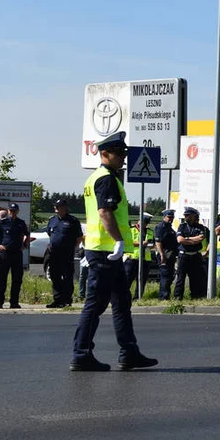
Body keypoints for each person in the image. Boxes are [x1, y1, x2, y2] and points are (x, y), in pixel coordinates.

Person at [70, 131, 157, 372]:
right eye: (119, 153)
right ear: (104, 153)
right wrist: (118, 240)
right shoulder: (106, 178)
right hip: (105, 252)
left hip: (107, 252)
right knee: (95, 305)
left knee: (121, 303)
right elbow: (104, 212)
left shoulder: (99, 177)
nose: (123, 158)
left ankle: (129, 352)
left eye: (124, 153)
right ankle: (81, 354)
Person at [0, 203, 30, 309]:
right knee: (2, 279)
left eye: (14, 210)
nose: (12, 212)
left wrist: (25, 244)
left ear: (17, 211)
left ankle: (14, 302)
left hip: (17, 253)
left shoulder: (21, 223)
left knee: (17, 279)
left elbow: (27, 234)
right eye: (11, 210)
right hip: (5, 254)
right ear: (8, 211)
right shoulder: (3, 222)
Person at [45, 198, 83, 308]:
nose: (56, 208)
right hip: (53, 254)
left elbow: (79, 237)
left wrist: (72, 247)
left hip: (66, 253)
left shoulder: (73, 221)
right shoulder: (52, 220)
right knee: (54, 276)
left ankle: (66, 300)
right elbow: (50, 234)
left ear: (64, 208)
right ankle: (57, 300)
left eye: (58, 206)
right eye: (55, 206)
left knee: (67, 277)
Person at [174, 207, 207, 299]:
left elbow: (200, 238)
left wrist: (187, 238)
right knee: (180, 277)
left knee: (195, 278)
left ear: (194, 216)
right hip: (183, 255)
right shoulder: (182, 226)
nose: (186, 217)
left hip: (195, 255)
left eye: (188, 215)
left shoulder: (200, 227)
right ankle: (178, 297)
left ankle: (195, 296)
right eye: (185, 215)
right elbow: (180, 240)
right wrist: (193, 239)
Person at [123, 213, 154, 296]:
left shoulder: (150, 231)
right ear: (139, 221)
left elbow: (152, 243)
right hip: (132, 258)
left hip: (145, 259)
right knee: (128, 279)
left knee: (142, 280)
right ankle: (124, 296)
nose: (144, 224)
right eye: (143, 222)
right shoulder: (131, 230)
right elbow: (128, 242)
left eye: (146, 223)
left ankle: (137, 297)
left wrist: (150, 245)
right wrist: (141, 243)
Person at [154, 209, 179, 300]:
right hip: (165, 254)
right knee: (165, 275)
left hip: (170, 254)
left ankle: (166, 294)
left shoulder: (169, 227)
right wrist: (162, 255)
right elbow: (158, 242)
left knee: (169, 276)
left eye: (172, 217)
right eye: (169, 217)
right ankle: (163, 296)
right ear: (164, 217)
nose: (171, 219)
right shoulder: (161, 227)